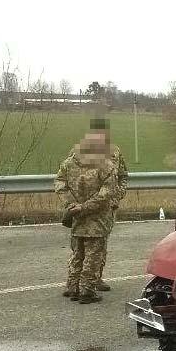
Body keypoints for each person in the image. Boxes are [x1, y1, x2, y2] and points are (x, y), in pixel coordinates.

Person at [54, 132, 117, 304]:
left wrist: (72, 205)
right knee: (93, 256)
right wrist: (85, 207)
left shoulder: (68, 163)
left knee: (78, 253)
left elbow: (60, 184)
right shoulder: (106, 165)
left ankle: (73, 287)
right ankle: (87, 291)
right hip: (97, 219)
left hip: (76, 217)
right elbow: (106, 194)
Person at [79, 118, 128, 291]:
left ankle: (95, 278)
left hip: (107, 207)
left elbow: (123, 175)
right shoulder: (80, 151)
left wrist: (118, 195)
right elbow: (70, 177)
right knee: (80, 246)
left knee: (101, 245)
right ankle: (77, 283)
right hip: (85, 207)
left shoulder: (115, 151)